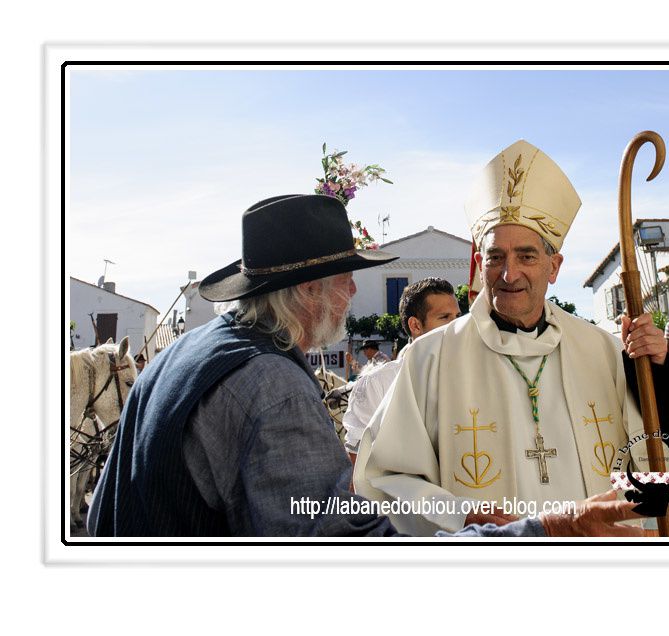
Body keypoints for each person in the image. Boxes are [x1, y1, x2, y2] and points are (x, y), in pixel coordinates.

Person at [87, 194, 639, 538]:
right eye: (345, 276)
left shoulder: (188, 352)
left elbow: (102, 514)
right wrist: (544, 527)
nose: (355, 290)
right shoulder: (273, 387)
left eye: (527, 256)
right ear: (308, 289)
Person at [355, 140, 669, 537]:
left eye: (526, 256)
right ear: (480, 263)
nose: (509, 274)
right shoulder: (430, 357)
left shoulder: (602, 349)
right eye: (496, 257)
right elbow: (383, 476)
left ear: (554, 266)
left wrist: (658, 375)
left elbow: (660, 453)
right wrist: (461, 516)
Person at [343, 277, 460, 461]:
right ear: (415, 325)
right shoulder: (378, 384)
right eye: (445, 317)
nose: (456, 326)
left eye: (457, 317)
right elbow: (357, 459)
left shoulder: (471, 378)